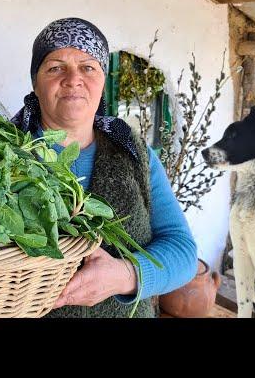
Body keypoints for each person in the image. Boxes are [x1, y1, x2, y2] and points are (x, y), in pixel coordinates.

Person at [11, 17, 198, 318]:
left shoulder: (134, 153)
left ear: (102, 80)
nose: (73, 79)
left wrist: (126, 275)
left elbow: (183, 251)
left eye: (88, 67)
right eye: (56, 67)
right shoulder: (2, 154)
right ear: (36, 81)